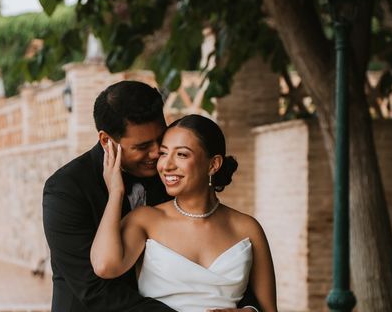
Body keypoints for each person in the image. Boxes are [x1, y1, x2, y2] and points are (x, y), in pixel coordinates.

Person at [43, 81, 261, 311]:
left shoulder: (171, 174)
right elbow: (96, 290)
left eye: (161, 138)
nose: (157, 153)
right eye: (143, 146)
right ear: (107, 141)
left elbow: (222, 260)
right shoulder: (65, 189)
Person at [91, 114, 277, 312]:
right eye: (164, 153)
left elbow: (269, 309)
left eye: (182, 154)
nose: (166, 165)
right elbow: (105, 266)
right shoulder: (145, 220)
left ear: (213, 164)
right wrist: (116, 192)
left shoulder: (248, 228)